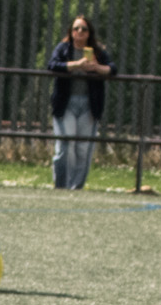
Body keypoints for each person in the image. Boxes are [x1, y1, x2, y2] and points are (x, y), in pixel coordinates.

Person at [43, 14, 112, 190]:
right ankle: (61, 186)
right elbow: (52, 65)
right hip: (66, 104)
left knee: (83, 149)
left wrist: (96, 67)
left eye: (84, 29)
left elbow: (113, 69)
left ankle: (76, 187)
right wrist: (76, 65)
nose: (80, 31)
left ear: (89, 33)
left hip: (89, 105)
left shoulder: (96, 51)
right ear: (71, 32)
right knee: (66, 144)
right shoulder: (63, 49)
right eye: (76, 28)